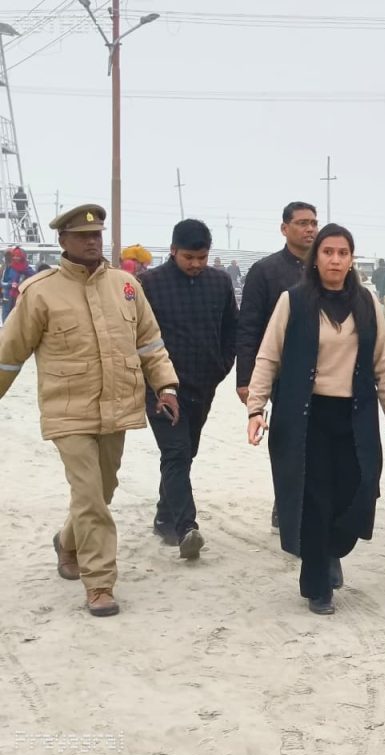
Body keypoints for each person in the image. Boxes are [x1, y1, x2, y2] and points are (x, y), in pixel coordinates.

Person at [0, 204, 179, 616]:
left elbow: (150, 343)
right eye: (83, 236)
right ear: (63, 240)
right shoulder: (40, 292)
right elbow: (9, 355)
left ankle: (66, 542)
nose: (93, 241)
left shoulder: (126, 287)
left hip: (117, 407)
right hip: (67, 411)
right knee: (88, 495)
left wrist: (166, 385)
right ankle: (99, 584)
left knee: (102, 491)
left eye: (97, 234)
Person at [246, 224, 385, 614]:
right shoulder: (294, 301)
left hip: (354, 415)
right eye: (328, 252)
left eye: (343, 253)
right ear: (315, 258)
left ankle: (331, 551)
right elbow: (268, 356)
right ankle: (317, 584)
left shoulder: (367, 303)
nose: (335, 260)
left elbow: (383, 361)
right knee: (315, 499)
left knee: (358, 489)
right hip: (307, 416)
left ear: (352, 259)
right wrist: (256, 408)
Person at [139, 219, 238, 558]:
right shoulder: (150, 284)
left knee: (186, 452)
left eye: (202, 257)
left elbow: (231, 329)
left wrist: (222, 366)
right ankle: (186, 528)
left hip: (204, 385)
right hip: (161, 388)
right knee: (176, 452)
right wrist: (151, 379)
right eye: (188, 257)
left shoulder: (220, 282)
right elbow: (135, 335)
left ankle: (164, 515)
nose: (196, 264)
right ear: (173, 251)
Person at [236, 201, 318, 530]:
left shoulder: (326, 267)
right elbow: (248, 327)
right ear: (285, 229)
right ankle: (286, 503)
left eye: (313, 223)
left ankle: (306, 502)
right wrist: (246, 379)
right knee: (290, 441)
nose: (309, 229)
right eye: (302, 223)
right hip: (283, 374)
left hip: (326, 372)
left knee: (318, 441)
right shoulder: (265, 271)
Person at [2, 246, 35, 322]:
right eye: (14, 256)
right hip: (8, 297)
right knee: (6, 319)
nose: (16, 258)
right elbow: (2, 283)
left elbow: (35, 279)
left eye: (18, 256)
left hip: (21, 297)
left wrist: (22, 284)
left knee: (19, 319)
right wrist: (10, 284)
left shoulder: (27, 269)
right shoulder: (8, 268)